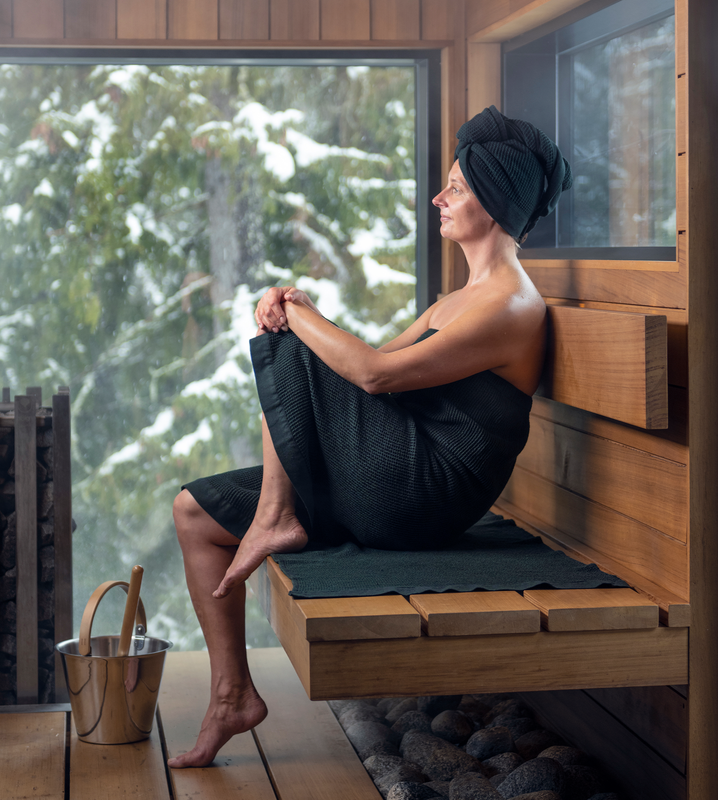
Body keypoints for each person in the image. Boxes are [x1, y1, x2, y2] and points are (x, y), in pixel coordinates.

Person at [167, 105, 572, 769]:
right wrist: (293, 309)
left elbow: (375, 377)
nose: (440, 197)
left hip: (423, 496)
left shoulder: (512, 304)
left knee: (292, 345)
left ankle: (276, 515)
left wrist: (295, 312)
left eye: (458, 189)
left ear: (495, 204)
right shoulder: (458, 300)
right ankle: (231, 695)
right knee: (195, 513)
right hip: (387, 476)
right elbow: (356, 378)